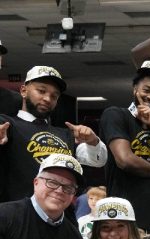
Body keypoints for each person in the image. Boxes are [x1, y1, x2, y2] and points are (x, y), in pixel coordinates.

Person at [0, 66, 107, 202]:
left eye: (54, 96)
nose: (47, 98)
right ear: (23, 91)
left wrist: (93, 141)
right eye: (41, 91)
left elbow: (97, 160)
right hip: (17, 214)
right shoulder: (8, 124)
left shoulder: (65, 134)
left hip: (60, 214)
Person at [100, 60, 150, 236]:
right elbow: (125, 160)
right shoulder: (116, 115)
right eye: (147, 90)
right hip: (125, 222)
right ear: (135, 89)